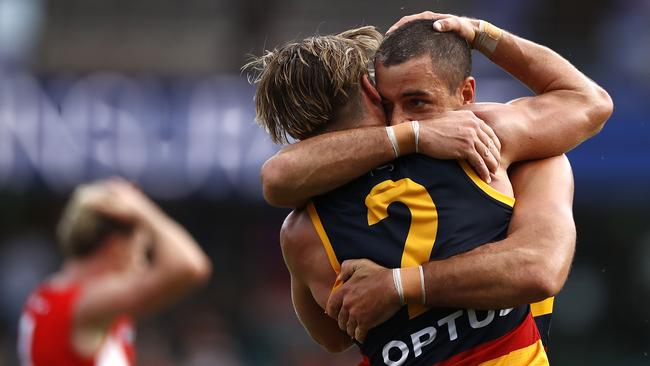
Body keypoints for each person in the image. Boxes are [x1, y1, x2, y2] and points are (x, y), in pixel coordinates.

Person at [247, 12, 611, 366]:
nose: (405, 118)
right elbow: (589, 102)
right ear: (369, 87)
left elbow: (334, 338)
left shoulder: (301, 232)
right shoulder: (478, 136)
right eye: (394, 104)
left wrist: (397, 288)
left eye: (416, 104)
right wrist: (480, 33)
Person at [17, 178, 212, 366]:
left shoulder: (49, 296)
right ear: (116, 248)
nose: (142, 267)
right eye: (140, 252)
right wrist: (142, 209)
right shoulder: (88, 306)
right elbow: (191, 266)